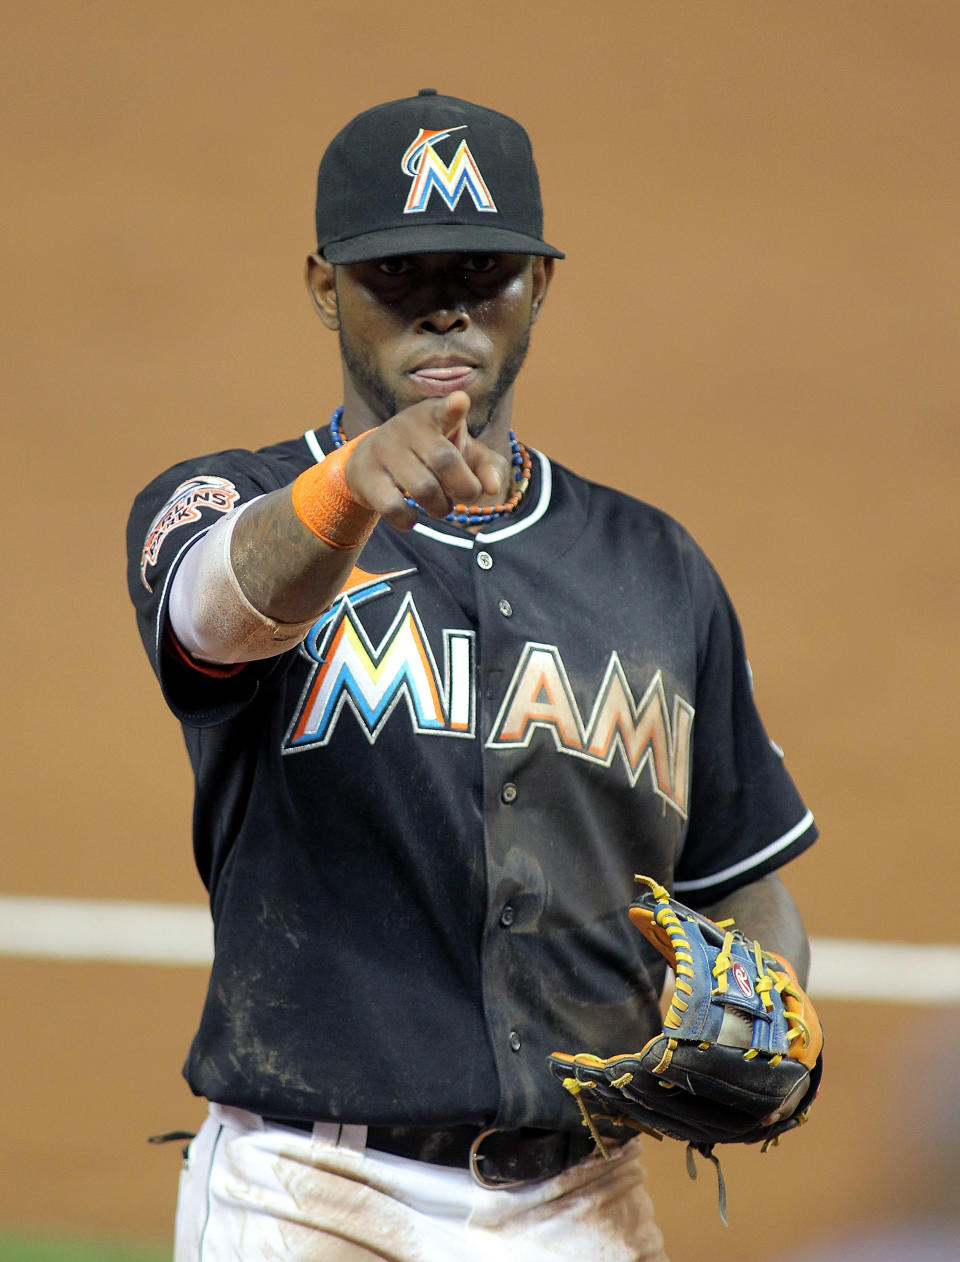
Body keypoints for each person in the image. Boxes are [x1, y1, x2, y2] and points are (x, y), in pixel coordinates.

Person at [127, 89, 818, 1261]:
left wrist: (771, 998)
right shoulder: (226, 504)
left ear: (540, 286)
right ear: (321, 284)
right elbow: (210, 610)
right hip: (309, 1192)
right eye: (399, 273)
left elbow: (741, 876)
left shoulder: (656, 566)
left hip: (586, 1202)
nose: (445, 304)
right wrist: (350, 486)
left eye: (483, 272)